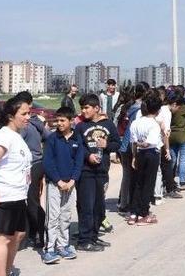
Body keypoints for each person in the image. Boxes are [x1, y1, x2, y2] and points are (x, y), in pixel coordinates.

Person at [0, 97, 32, 276]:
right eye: (24, 114)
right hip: (5, 195)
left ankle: (7, 270)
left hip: (18, 195)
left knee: (18, 235)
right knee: (3, 238)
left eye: (29, 113)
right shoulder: (4, 135)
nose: (28, 117)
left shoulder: (16, 136)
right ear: (11, 116)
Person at [74, 93, 120, 252]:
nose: (83, 111)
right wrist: (88, 156)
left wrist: (107, 144)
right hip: (85, 172)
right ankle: (84, 239)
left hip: (102, 171)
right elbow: (78, 147)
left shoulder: (108, 124)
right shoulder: (80, 127)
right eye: (82, 108)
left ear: (96, 108)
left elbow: (117, 144)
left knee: (98, 207)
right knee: (86, 206)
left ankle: (93, 236)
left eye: (86, 107)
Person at [41, 106, 84, 264]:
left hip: (70, 185)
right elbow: (48, 162)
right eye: (57, 120)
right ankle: (49, 249)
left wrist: (72, 180)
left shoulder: (76, 139)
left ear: (71, 121)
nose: (59, 123)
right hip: (54, 184)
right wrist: (58, 181)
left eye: (62, 120)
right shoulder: (52, 139)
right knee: (53, 217)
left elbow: (78, 162)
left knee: (66, 216)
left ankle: (63, 245)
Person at [16, 91, 49, 249]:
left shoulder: (29, 124)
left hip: (33, 164)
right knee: (24, 200)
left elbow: (48, 137)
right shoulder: (34, 122)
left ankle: (38, 233)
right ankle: (30, 233)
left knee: (32, 201)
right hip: (26, 165)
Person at [127, 94, 164, 227]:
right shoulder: (154, 124)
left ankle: (133, 213)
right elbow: (150, 142)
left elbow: (133, 142)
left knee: (138, 183)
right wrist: (142, 144)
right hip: (151, 153)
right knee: (148, 184)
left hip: (140, 154)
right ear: (158, 110)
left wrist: (135, 155)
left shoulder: (136, 122)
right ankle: (143, 213)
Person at [167, 94, 185, 191]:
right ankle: (182, 182)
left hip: (171, 136)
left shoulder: (168, 108)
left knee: (172, 160)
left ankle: (169, 181)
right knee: (183, 160)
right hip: (183, 136)